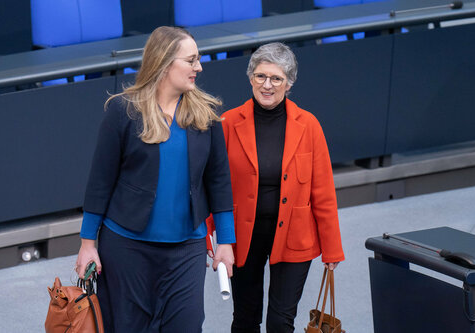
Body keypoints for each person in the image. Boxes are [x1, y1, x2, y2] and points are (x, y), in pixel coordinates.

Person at [74, 26, 235, 333]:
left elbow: (219, 180)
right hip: (127, 248)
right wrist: (87, 243)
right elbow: (99, 182)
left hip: (187, 248)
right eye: (191, 61)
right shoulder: (123, 111)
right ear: (164, 63)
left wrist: (226, 240)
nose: (198, 68)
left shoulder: (206, 114)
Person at [221, 42, 345, 332]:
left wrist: (332, 249)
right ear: (251, 77)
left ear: (289, 83)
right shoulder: (227, 123)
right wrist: (216, 239)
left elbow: (323, 190)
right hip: (244, 236)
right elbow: (215, 186)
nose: (267, 85)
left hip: (295, 235)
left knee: (280, 322)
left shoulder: (309, 125)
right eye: (261, 76)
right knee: (245, 319)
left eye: (276, 78)